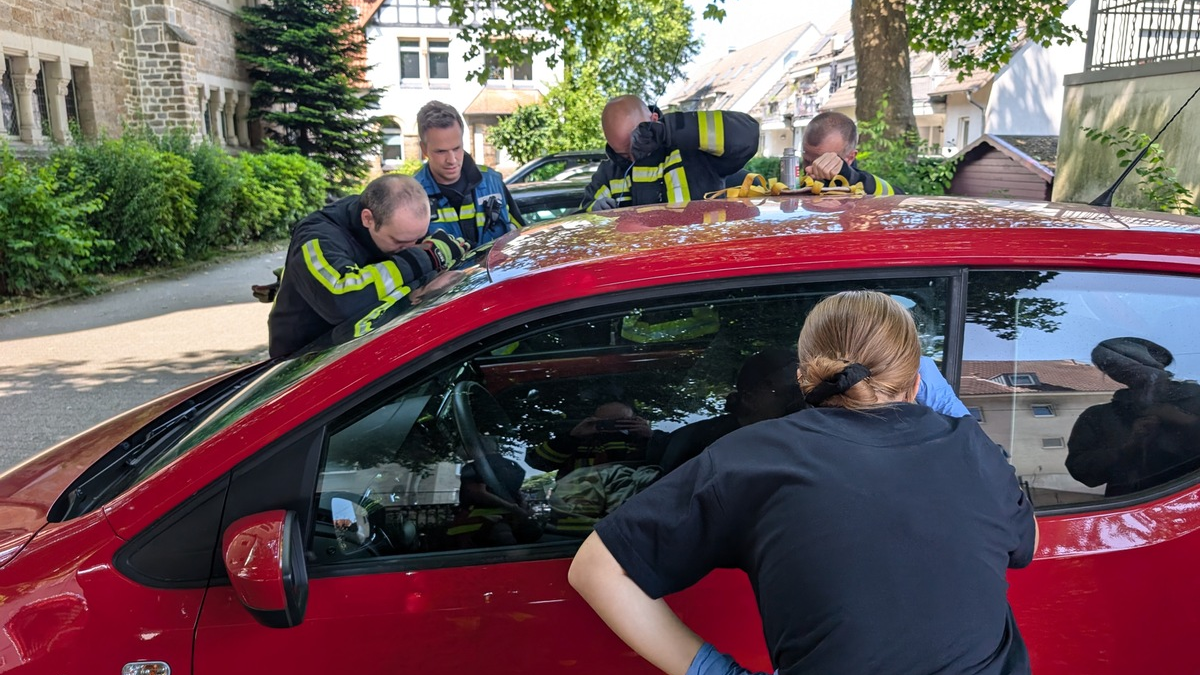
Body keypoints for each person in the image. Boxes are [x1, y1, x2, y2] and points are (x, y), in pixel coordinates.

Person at [569, 290, 1038, 675]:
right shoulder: (972, 449)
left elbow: (595, 569)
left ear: (803, 376)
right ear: (918, 384)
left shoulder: (752, 455)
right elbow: (1027, 543)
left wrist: (715, 672)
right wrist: (958, 420)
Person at [267, 174, 470, 358]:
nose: (410, 248)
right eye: (399, 242)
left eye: (418, 239)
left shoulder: (391, 221)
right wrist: (425, 258)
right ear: (368, 219)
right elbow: (343, 300)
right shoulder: (317, 237)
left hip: (357, 351)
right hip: (303, 363)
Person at [1067, 337, 1200, 497]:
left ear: (1156, 359)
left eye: (1126, 357)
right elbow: (1082, 472)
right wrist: (1129, 447)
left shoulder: (1195, 398)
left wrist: (1181, 419)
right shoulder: (1097, 416)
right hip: (1128, 509)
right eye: (1108, 365)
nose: (1119, 368)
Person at [581, 96, 760, 212]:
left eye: (637, 143)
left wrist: (669, 131)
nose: (633, 157)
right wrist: (593, 209)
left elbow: (747, 136)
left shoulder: (691, 149)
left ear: (654, 120)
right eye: (624, 154)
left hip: (700, 262)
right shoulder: (609, 172)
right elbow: (581, 218)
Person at [412, 100, 526, 246]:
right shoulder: (413, 195)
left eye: (457, 148)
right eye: (441, 151)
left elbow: (521, 236)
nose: (452, 160)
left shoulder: (492, 181)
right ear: (424, 149)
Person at [801, 111, 900, 196]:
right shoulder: (793, 180)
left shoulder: (863, 185)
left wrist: (849, 176)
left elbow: (898, 197)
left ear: (850, 157)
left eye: (824, 160)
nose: (809, 169)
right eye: (807, 160)